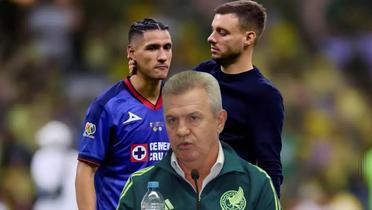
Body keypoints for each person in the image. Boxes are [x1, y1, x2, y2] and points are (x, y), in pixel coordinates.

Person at [117, 71, 281, 210]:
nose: (181, 130)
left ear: (220, 121)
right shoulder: (139, 187)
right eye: (172, 120)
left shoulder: (256, 184)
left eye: (193, 118)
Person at [75, 18, 172, 210]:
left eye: (167, 47)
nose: (162, 56)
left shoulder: (178, 104)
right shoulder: (108, 106)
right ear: (131, 53)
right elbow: (86, 171)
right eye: (152, 48)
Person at [193, 0, 284, 196]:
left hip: (230, 197)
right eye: (213, 30)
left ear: (248, 38)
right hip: (189, 192)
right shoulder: (203, 73)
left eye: (222, 32)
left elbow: (270, 165)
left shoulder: (263, 95)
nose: (211, 38)